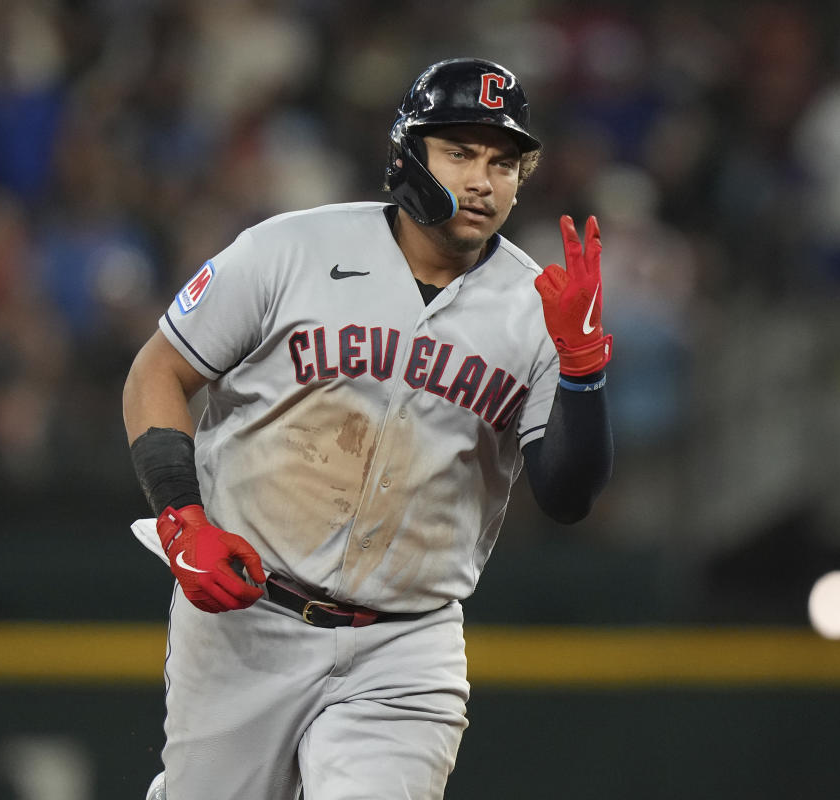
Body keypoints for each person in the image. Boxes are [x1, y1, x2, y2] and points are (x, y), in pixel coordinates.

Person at [123, 57, 614, 800]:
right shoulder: (288, 249)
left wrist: (581, 366)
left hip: (405, 642)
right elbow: (157, 373)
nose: (484, 180)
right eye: (459, 153)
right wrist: (182, 518)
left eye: (503, 162)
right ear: (409, 154)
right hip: (249, 613)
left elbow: (567, 495)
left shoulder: (537, 307)